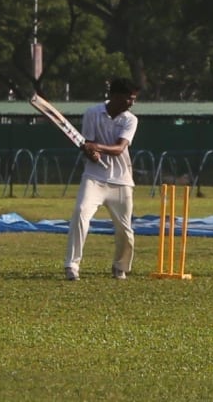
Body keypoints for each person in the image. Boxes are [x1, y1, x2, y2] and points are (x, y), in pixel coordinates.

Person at [64, 78, 140, 281]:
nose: (131, 103)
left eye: (133, 99)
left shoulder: (130, 119)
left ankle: (120, 266)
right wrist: (91, 153)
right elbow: (87, 144)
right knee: (80, 213)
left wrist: (96, 148)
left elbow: (119, 148)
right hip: (94, 177)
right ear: (115, 96)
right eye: (129, 98)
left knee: (125, 229)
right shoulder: (92, 113)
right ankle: (72, 265)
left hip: (121, 180)